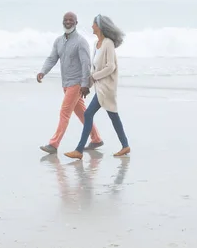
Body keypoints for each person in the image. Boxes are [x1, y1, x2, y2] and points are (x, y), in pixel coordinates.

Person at [65, 14, 131, 159]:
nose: (92, 26)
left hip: (107, 88)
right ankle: (125, 145)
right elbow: (95, 68)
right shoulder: (96, 43)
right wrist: (87, 85)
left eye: (94, 24)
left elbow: (111, 67)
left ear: (100, 26)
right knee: (113, 116)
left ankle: (79, 150)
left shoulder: (108, 43)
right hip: (100, 87)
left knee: (88, 114)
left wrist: (93, 78)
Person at [37, 11, 104, 154]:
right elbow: (52, 58)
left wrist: (85, 84)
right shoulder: (58, 41)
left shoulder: (81, 42)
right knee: (82, 114)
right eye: (65, 20)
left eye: (71, 20)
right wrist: (43, 71)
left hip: (77, 83)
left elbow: (86, 64)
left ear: (76, 23)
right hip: (66, 83)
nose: (68, 22)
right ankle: (96, 138)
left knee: (64, 112)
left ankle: (53, 144)